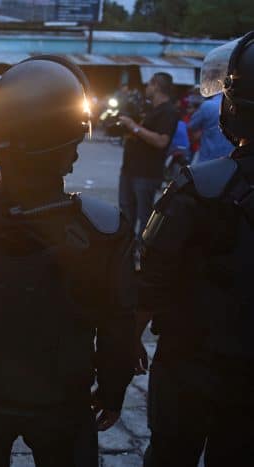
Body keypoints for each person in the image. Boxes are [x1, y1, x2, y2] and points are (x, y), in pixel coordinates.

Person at [0, 56, 136, 467]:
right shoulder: (104, 230)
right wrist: (112, 392)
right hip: (63, 402)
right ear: (71, 151)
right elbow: (118, 327)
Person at [139, 31, 254, 466]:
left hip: (191, 368)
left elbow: (151, 280)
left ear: (233, 109)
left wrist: (123, 346)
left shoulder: (196, 187)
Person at [117, 73, 179, 246]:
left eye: (149, 85)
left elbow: (161, 141)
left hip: (146, 174)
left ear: (157, 86)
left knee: (144, 217)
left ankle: (143, 251)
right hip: (130, 169)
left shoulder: (169, 112)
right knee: (126, 212)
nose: (146, 88)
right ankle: (126, 249)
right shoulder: (150, 109)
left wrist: (134, 127)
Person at [188, 92, 234, 165]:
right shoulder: (236, 106)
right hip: (230, 159)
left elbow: (192, 125)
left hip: (208, 159)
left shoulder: (208, 105)